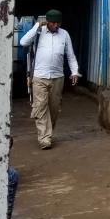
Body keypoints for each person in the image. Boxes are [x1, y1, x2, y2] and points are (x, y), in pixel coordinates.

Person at [20, 9, 80, 150]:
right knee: (40, 107)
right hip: (39, 76)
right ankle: (44, 138)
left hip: (57, 77)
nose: (56, 25)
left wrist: (75, 72)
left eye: (58, 23)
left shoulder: (64, 34)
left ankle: (48, 133)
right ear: (47, 22)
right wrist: (36, 27)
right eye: (53, 23)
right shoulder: (39, 32)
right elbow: (23, 42)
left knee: (53, 109)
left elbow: (70, 55)